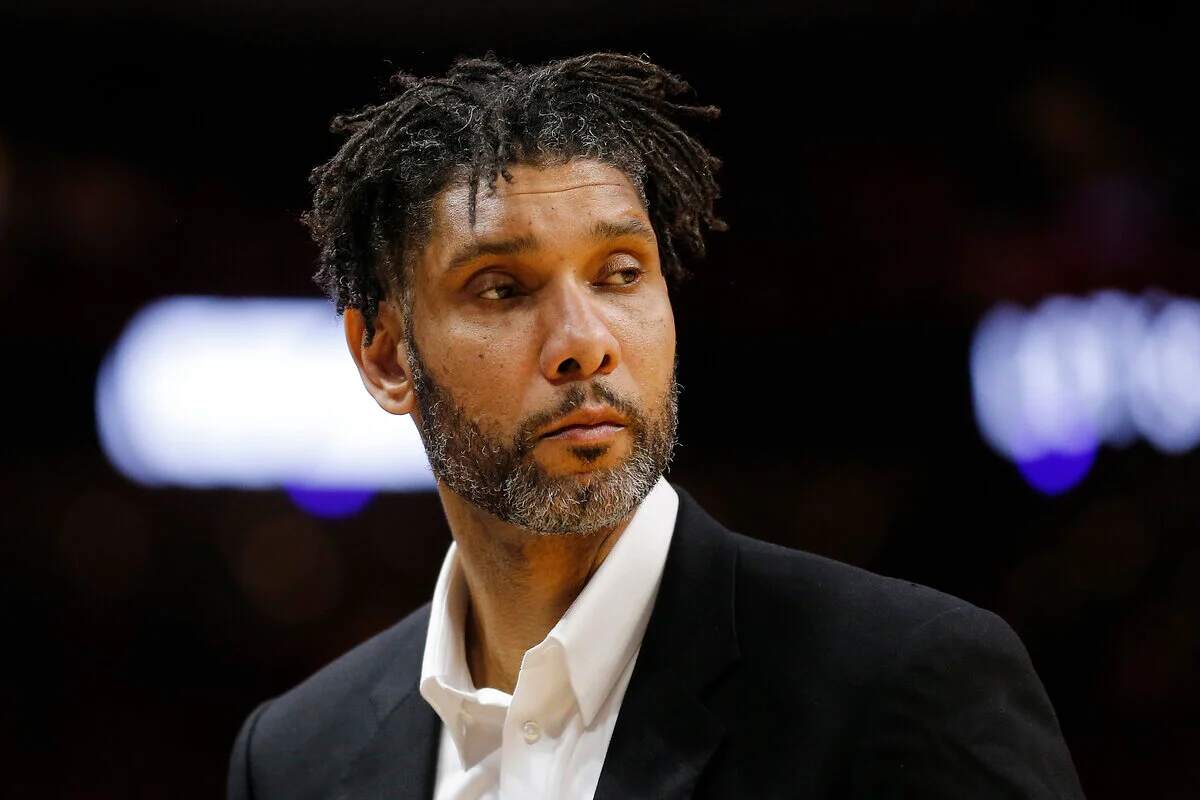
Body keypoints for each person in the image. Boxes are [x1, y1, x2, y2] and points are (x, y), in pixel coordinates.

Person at [227, 52, 1087, 799]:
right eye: (502, 288)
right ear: (384, 356)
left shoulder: (904, 684)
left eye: (620, 274)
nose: (583, 344)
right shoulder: (296, 755)